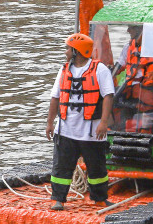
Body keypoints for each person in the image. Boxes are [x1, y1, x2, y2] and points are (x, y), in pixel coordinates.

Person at [45, 33, 114, 211]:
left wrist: (104, 122)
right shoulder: (64, 70)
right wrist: (49, 123)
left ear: (78, 51)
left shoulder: (100, 70)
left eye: (68, 48)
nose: (66, 52)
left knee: (97, 168)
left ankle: (99, 198)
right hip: (66, 130)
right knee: (61, 167)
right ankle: (57, 199)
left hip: (91, 131)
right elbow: (55, 97)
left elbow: (108, 96)